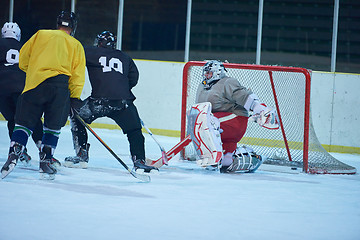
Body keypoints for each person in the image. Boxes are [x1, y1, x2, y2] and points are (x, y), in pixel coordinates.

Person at [1, 11, 86, 180]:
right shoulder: (76, 45)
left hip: (35, 84)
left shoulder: (40, 35)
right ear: (74, 27)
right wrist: (74, 97)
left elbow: (23, 59)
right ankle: (46, 161)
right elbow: (77, 76)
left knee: (23, 122)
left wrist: (34, 73)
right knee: (52, 126)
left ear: (57, 23)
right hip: (59, 87)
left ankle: (14, 152)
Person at [64, 31, 157, 173]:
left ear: (100, 43)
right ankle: (139, 160)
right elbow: (134, 78)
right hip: (123, 102)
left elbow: (73, 55)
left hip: (99, 101)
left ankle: (82, 153)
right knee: (134, 130)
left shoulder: (91, 52)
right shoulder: (125, 57)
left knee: (77, 117)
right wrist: (120, 90)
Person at [193, 60, 279, 173]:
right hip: (220, 124)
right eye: (205, 73)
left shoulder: (227, 82)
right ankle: (246, 157)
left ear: (217, 72)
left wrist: (259, 108)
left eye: (209, 73)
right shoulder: (202, 86)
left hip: (234, 121)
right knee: (226, 163)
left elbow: (244, 96)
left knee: (208, 121)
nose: (206, 76)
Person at [0, 22, 60, 168]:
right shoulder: (25, 47)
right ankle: (42, 148)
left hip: (1, 87)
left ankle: (19, 150)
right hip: (21, 86)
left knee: (12, 120)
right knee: (27, 119)